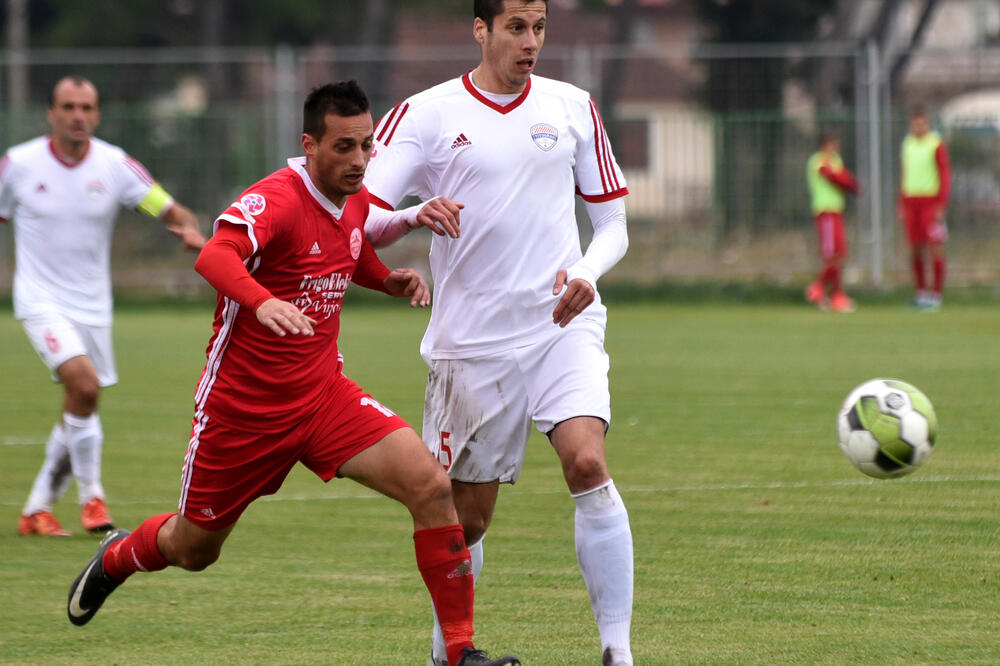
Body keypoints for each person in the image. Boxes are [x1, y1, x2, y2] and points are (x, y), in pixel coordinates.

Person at [64, 81, 519, 666]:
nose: (359, 161)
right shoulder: (276, 198)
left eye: (366, 146)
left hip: (324, 397)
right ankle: (118, 556)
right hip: (243, 414)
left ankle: (458, 654)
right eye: (343, 147)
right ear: (309, 145)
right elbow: (215, 255)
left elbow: (347, 249)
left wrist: (387, 280)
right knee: (195, 547)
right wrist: (262, 302)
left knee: (431, 486)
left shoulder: (352, 193)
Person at [362, 2, 634, 664]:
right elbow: (360, 220)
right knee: (468, 519)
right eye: (516, 27)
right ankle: (446, 654)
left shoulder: (573, 106)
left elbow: (614, 225)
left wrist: (588, 274)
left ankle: (617, 651)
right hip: (474, 342)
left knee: (587, 462)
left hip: (560, 320)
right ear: (480, 29)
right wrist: (415, 214)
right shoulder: (425, 115)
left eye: (539, 27)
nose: (530, 41)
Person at [0, 76, 206, 537]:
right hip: (40, 301)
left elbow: (171, 210)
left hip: (93, 308)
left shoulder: (116, 166)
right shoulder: (18, 165)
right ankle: (93, 499)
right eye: (68, 107)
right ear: (51, 113)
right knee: (85, 386)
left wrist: (189, 232)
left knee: (82, 398)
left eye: (87, 108)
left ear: (97, 114)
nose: (78, 116)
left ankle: (37, 509)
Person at [899, 108, 951, 311]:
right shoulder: (907, 144)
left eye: (921, 124)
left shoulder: (936, 143)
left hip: (930, 202)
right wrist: (901, 203)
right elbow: (904, 175)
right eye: (915, 124)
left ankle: (936, 295)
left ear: (927, 124)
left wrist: (941, 203)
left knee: (934, 246)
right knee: (914, 248)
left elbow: (945, 174)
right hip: (911, 202)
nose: (918, 128)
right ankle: (921, 293)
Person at [805, 131, 859, 313]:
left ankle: (832, 294)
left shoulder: (836, 161)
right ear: (823, 146)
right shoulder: (817, 161)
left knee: (840, 255)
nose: (834, 149)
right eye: (831, 146)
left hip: (836, 211)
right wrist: (848, 181)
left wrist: (848, 182)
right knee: (831, 256)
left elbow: (850, 182)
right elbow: (837, 178)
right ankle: (820, 288)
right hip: (825, 213)